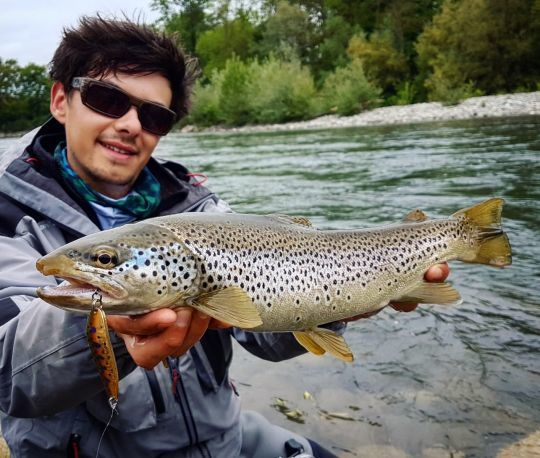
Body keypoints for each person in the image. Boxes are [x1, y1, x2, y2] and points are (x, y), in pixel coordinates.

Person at [0, 16, 449, 458]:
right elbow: (9, 376)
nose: (131, 125)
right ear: (61, 100)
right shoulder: (9, 217)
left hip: (224, 441)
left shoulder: (202, 210)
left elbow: (264, 337)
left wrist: (354, 297)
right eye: (107, 99)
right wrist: (113, 322)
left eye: (154, 115)